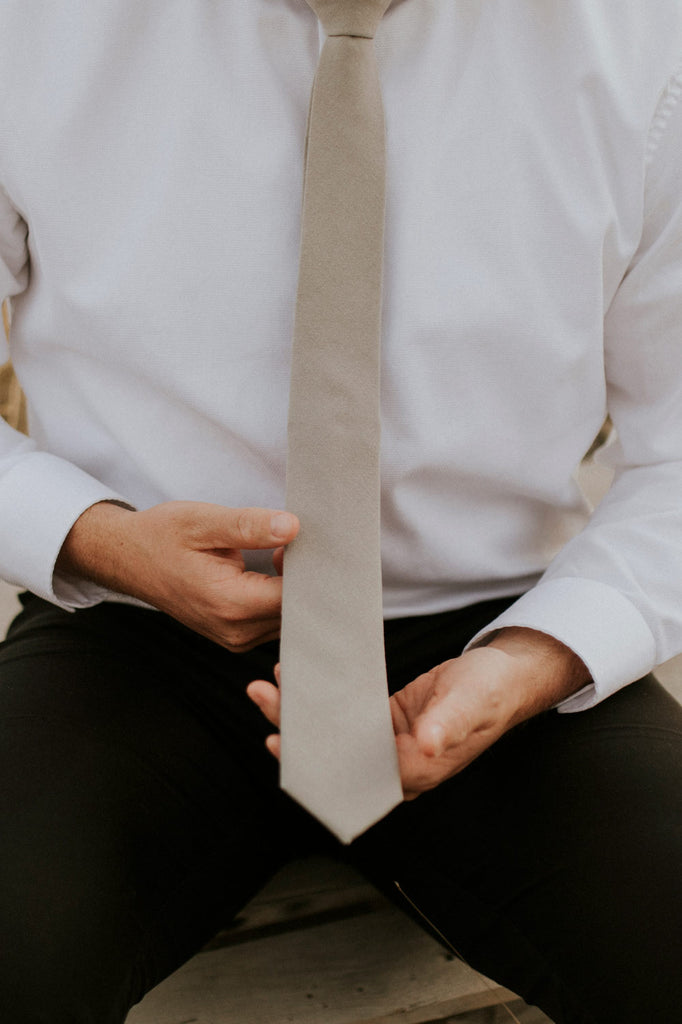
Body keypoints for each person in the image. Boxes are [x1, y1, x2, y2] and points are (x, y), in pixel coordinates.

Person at [1, 2, 681, 1021]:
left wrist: (535, 660)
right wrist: (101, 541)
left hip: (505, 645)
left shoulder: (641, 36)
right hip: (136, 631)